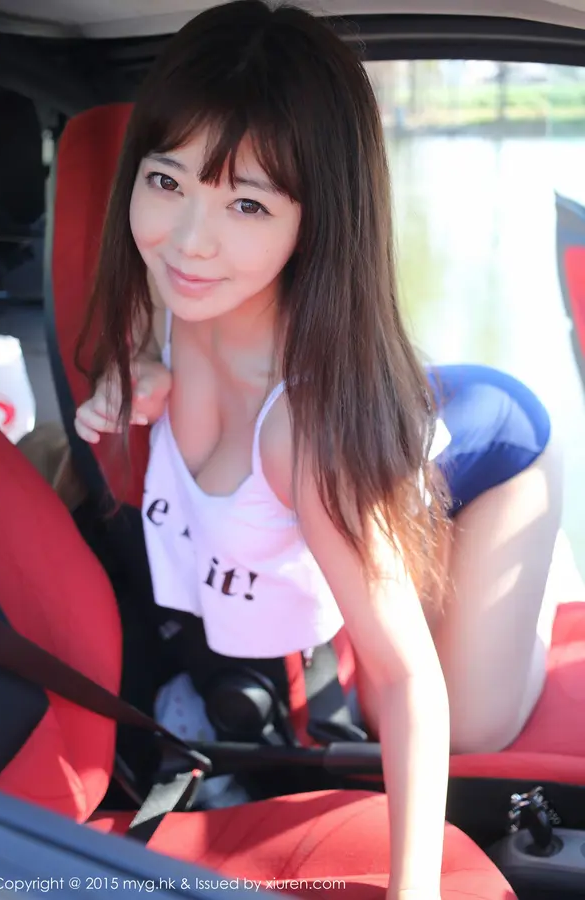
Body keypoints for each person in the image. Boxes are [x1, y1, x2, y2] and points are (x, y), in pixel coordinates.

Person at [74, 1, 563, 896]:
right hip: (398, 421)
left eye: (246, 203)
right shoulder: (168, 288)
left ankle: (514, 582)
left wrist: (413, 891)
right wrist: (135, 372)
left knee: (474, 725)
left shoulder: (305, 433)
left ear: (316, 218)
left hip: (494, 450)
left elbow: (408, 686)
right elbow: (148, 329)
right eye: (167, 180)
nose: (187, 239)